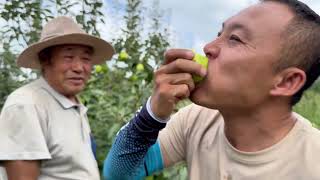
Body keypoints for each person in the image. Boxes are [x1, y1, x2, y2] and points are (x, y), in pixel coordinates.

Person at [103, 0, 320, 179]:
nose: (208, 47)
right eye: (219, 33)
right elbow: (119, 174)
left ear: (287, 81)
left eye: (235, 39)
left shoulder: (313, 162)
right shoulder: (196, 120)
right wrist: (152, 114)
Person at [0, 16, 114, 179]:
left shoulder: (74, 105)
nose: (78, 67)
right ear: (45, 60)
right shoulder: (26, 105)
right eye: (68, 57)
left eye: (86, 59)